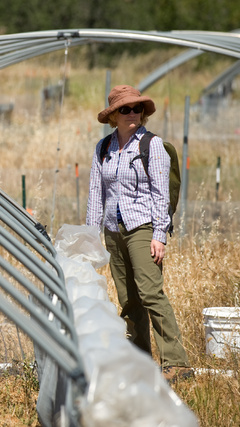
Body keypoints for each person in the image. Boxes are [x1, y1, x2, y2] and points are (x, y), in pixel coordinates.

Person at [86, 85, 193, 383]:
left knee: (150, 293)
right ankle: (140, 362)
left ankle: (177, 363)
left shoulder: (151, 145)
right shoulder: (103, 148)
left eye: (137, 108)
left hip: (142, 227)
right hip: (112, 229)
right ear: (113, 116)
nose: (133, 113)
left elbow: (161, 193)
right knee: (129, 300)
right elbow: (97, 193)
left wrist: (160, 234)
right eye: (125, 109)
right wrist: (90, 235)